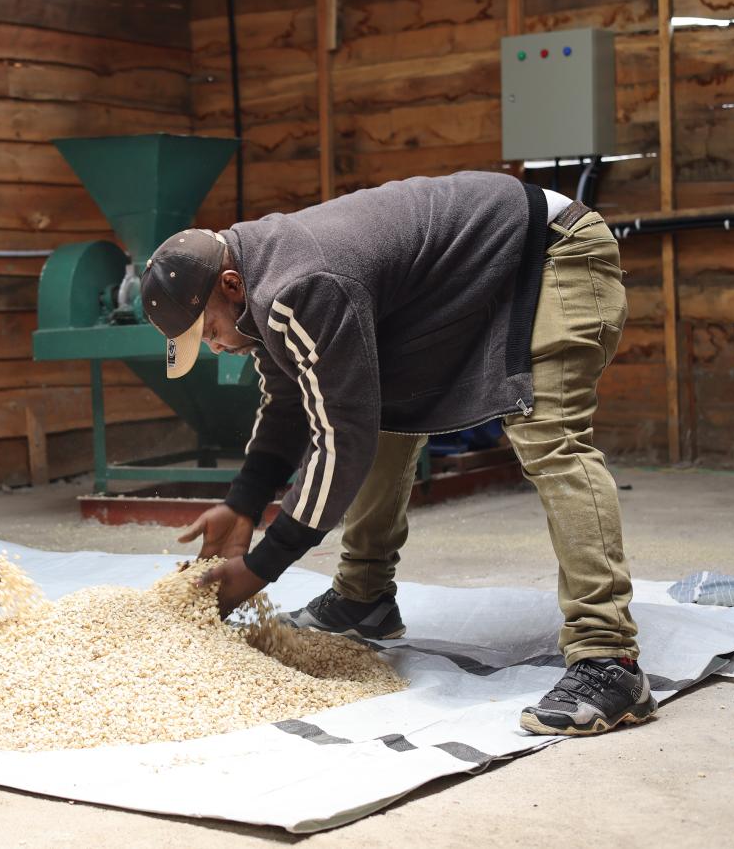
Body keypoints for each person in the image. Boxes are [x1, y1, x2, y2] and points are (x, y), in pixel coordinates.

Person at [141, 172, 655, 737]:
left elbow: (341, 438)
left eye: (209, 330)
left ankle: (609, 658)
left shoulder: (297, 285)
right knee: (380, 418)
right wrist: (241, 505)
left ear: (232, 285)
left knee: (550, 437)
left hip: (550, 251)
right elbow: (290, 403)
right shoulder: (258, 291)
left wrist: (261, 568)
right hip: (465, 282)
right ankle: (363, 598)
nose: (215, 346)